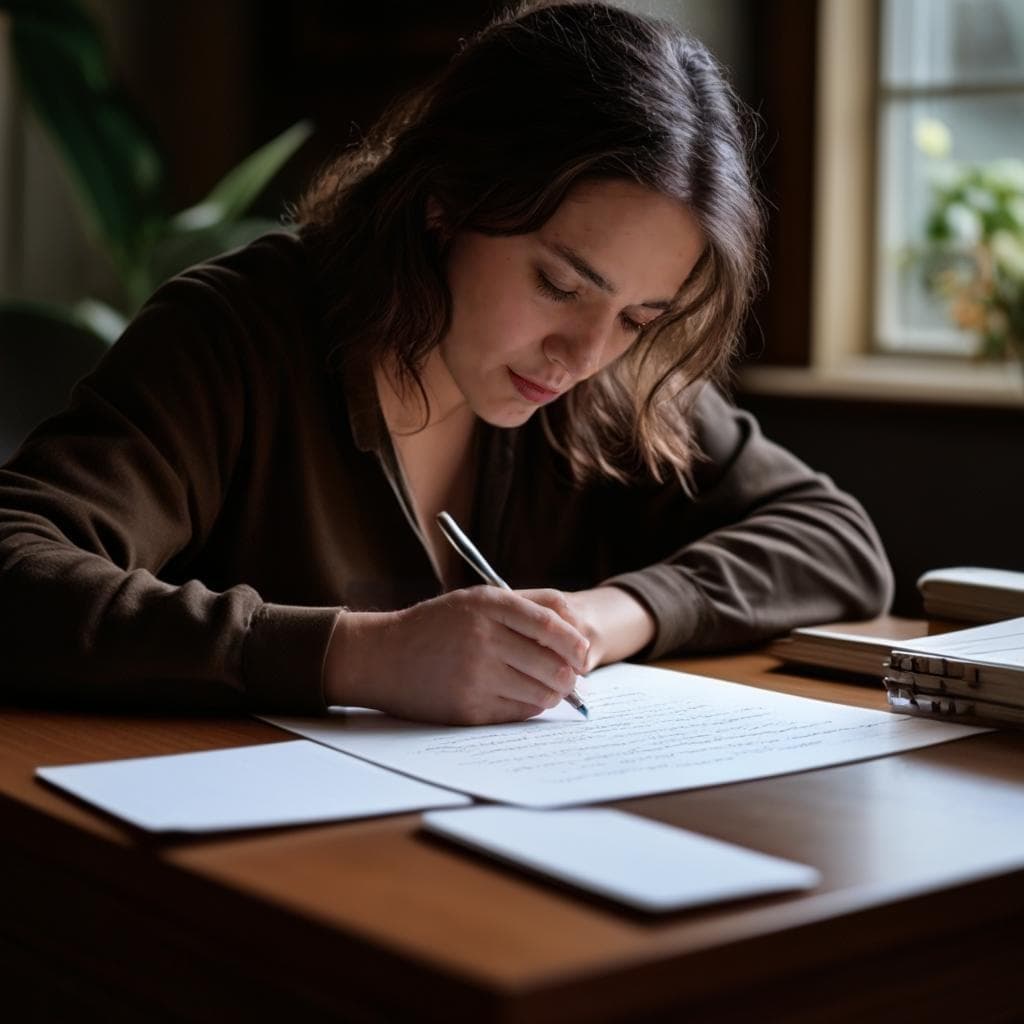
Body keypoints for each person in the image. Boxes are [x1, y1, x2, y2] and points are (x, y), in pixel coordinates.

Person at [0, 1, 892, 725]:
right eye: (558, 283)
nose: (584, 353)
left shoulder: (610, 378)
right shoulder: (237, 334)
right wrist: (360, 654)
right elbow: (14, 572)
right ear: (445, 204)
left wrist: (602, 619)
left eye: (638, 316)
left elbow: (836, 543)